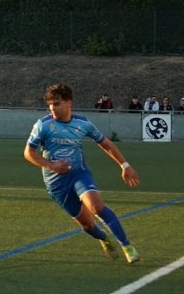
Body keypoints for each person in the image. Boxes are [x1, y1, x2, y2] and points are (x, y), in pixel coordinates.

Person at [23, 83, 140, 264]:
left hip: (79, 174)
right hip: (56, 184)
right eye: (50, 104)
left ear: (69, 103)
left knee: (96, 206)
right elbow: (28, 153)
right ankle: (104, 238)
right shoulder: (43, 125)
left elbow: (105, 143)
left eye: (57, 103)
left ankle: (127, 246)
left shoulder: (83, 124)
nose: (53, 108)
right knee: (87, 225)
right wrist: (52, 166)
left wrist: (124, 165)